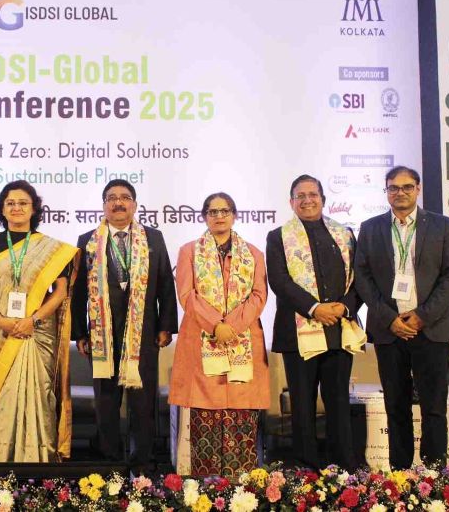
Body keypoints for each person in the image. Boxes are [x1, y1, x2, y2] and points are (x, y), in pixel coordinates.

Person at [355, 165, 449, 469]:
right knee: (396, 407)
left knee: (434, 408)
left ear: (418, 189)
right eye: (393, 187)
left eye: (406, 187)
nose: (400, 193)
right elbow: (362, 278)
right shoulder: (371, 228)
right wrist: (390, 318)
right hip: (389, 331)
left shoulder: (442, 225)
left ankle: (434, 475)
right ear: (386, 191)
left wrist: (421, 317)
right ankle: (400, 475)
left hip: (432, 329)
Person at [71, 179, 178, 474]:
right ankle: (110, 464)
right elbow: (78, 291)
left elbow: (165, 283)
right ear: (104, 205)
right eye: (112, 198)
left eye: (125, 197)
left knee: (142, 402)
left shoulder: (153, 238)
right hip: (101, 334)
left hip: (144, 333)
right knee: (106, 402)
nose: (118, 203)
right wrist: (80, 333)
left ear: (135, 204)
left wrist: (166, 325)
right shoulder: (87, 240)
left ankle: (142, 465)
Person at [0, 180, 78, 462]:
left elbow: (60, 292)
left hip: (37, 333)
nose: (16, 208)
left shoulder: (51, 249)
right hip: (0, 332)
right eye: (10, 203)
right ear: (2, 209)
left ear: (34, 209)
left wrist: (33, 319)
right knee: (2, 397)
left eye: (22, 203)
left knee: (38, 395)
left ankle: (39, 463)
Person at [266, 174, 364, 470]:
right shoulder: (278, 237)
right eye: (300, 195)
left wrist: (344, 307)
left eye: (313, 194)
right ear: (291, 202)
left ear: (323, 198)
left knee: (338, 402)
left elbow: (360, 278)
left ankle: (342, 468)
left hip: (339, 329)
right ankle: (305, 468)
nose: (307, 200)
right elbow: (279, 281)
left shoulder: (345, 234)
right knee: (302, 404)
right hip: (298, 333)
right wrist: (314, 308)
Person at [169, 192, 269, 477]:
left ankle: (242, 488)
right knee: (205, 414)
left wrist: (232, 326)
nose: (219, 216)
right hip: (202, 339)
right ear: (204, 217)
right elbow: (187, 294)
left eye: (225, 211)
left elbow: (259, 295)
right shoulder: (189, 251)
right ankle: (205, 486)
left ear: (234, 215)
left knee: (241, 413)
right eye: (212, 212)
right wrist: (216, 325)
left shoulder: (254, 254)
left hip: (242, 340)